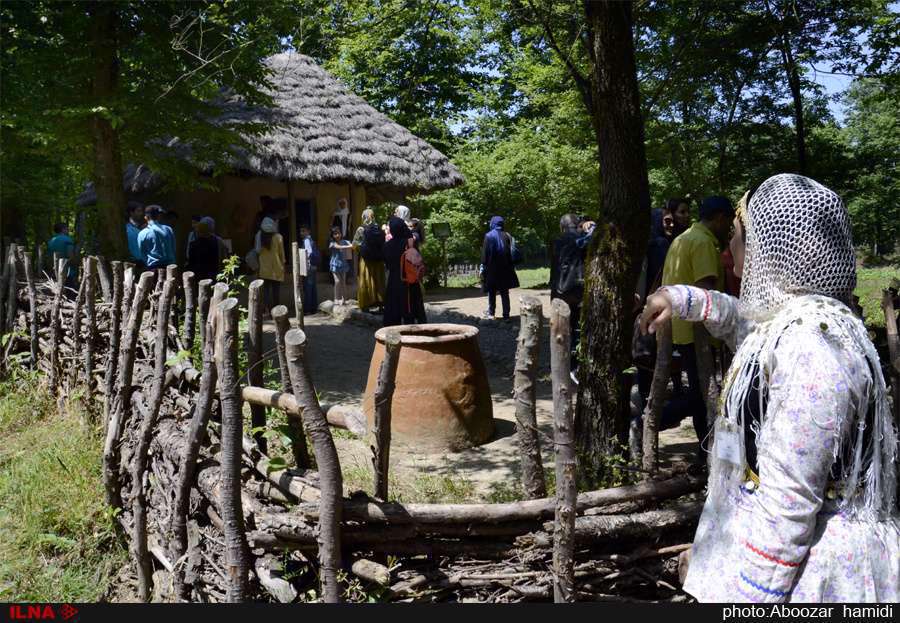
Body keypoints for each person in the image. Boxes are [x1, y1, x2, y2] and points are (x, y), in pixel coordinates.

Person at [640, 173, 899, 603]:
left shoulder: (811, 348)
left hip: (812, 576)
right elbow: (741, 322)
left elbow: (790, 503)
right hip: (793, 558)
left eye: (738, 236)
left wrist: (752, 597)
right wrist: (682, 299)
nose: (728, 250)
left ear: (772, 248)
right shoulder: (798, 322)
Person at [550, 213, 586, 380]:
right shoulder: (584, 239)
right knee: (578, 329)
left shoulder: (557, 241)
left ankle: (561, 365)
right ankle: (576, 366)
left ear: (562, 226)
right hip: (580, 290)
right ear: (577, 224)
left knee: (562, 329)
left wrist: (553, 294)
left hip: (561, 291)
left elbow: (555, 269)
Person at [383, 216, 426, 326]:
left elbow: (387, 264)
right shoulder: (410, 242)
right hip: (409, 280)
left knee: (394, 309)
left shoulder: (387, 245)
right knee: (411, 307)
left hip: (394, 280)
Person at [480, 216, 520, 319]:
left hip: (492, 269)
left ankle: (491, 313)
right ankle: (506, 315)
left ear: (492, 223)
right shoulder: (507, 235)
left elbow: (485, 255)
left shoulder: (488, 236)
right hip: (505, 269)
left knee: (491, 292)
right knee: (504, 292)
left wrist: (483, 267)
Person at [353, 208, 385, 312]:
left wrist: (360, 249)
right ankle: (381, 304)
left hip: (366, 260)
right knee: (379, 281)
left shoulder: (361, 229)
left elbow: (354, 245)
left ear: (364, 217)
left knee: (365, 280)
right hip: (379, 260)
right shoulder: (379, 228)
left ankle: (366, 305)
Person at [257, 217, 285, 313]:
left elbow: (257, 251)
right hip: (277, 268)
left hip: (264, 268)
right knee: (276, 291)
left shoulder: (259, 235)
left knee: (265, 291)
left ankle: (266, 310)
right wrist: (283, 265)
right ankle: (277, 311)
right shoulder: (278, 237)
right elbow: (282, 254)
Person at [137, 205, 176, 270]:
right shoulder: (168, 229)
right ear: (158, 216)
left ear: (146, 217)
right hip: (170, 267)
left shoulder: (142, 233)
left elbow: (142, 253)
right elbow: (173, 248)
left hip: (153, 268)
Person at [186, 217, 222, 282]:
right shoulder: (217, 241)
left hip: (198, 276)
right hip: (213, 274)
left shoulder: (193, 244)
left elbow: (191, 262)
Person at [328, 226, 353, 305]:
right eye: (335, 234)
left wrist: (353, 244)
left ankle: (344, 299)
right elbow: (338, 247)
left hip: (343, 264)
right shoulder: (332, 243)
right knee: (337, 281)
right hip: (335, 265)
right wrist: (349, 246)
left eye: (338, 233)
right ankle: (336, 298)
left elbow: (353, 244)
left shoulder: (344, 241)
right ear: (332, 235)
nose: (337, 235)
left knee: (343, 282)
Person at [299, 224, 319, 314]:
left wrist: (305, 266)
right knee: (312, 287)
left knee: (308, 288)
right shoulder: (310, 240)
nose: (301, 233)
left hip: (309, 267)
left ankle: (308, 309)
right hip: (313, 267)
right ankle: (313, 308)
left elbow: (309, 253)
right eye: (301, 231)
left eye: (303, 231)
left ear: (308, 231)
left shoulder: (307, 240)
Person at [125, 201, 145, 268]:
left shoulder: (140, 228)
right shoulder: (127, 229)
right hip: (134, 263)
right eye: (138, 211)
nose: (141, 213)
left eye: (141, 211)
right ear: (131, 212)